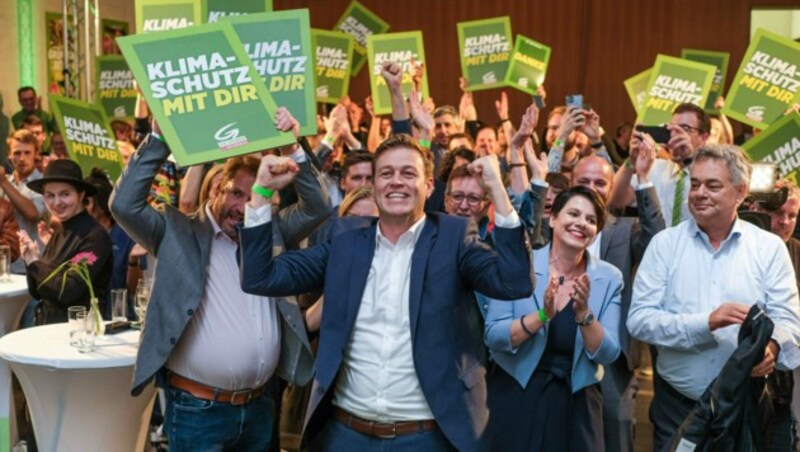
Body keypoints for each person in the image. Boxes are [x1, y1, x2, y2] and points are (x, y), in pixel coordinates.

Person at [239, 134, 533, 451]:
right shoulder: (345, 238)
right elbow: (261, 277)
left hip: (427, 436)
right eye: (386, 173)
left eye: (408, 173)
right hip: (345, 434)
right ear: (375, 185)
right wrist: (261, 193)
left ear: (430, 186)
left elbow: (514, 282)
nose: (397, 182)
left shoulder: (454, 237)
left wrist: (498, 192)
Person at [109, 109, 329, 449]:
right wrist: (158, 139)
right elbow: (124, 204)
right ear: (215, 190)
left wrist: (292, 146)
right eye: (235, 194)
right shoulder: (178, 232)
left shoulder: (270, 233)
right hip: (199, 412)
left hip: (260, 407)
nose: (243, 207)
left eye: (254, 195)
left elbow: (317, 207)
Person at [627, 144, 800, 451]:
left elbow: (789, 322)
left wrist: (773, 346)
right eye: (695, 184)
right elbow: (639, 321)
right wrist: (703, 323)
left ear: (740, 192)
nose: (699, 193)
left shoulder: (769, 248)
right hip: (677, 410)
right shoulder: (664, 245)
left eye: (713, 185)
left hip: (746, 409)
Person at [483, 186, 622, 451]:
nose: (581, 223)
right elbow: (494, 336)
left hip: (577, 401)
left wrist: (584, 315)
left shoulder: (609, 278)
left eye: (591, 220)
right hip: (516, 393)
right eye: (573, 214)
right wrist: (543, 315)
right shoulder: (519, 265)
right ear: (553, 218)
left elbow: (609, 353)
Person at [18, 159, 112, 324]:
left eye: (65, 194)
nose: (57, 202)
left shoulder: (95, 236)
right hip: (48, 330)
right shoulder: (59, 231)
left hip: (80, 334)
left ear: (81, 195)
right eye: (50, 195)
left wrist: (35, 264)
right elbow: (38, 292)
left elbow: (69, 292)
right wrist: (30, 258)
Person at [609, 102, 711, 226]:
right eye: (671, 128)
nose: (675, 134)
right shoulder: (654, 167)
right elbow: (616, 202)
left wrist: (689, 159)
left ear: (704, 138)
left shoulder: (713, 172)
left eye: (685, 129)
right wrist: (631, 160)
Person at [4, 130, 46, 273]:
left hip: (32, 266)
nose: (22, 158)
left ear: (36, 154)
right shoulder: (5, 181)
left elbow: (32, 213)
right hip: (6, 267)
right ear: (9, 155)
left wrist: (3, 182)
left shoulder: (43, 183)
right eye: (17, 153)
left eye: (27, 153)